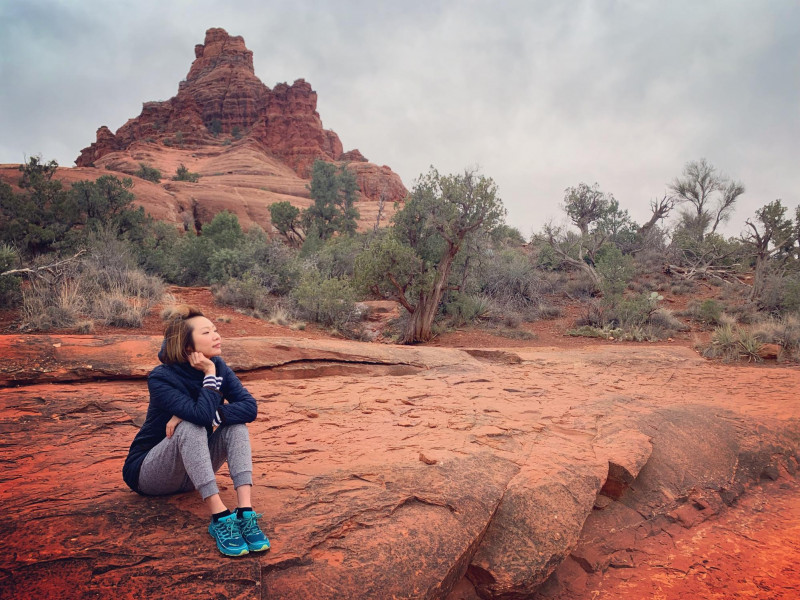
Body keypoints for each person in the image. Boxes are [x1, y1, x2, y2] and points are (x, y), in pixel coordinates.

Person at [122, 305, 269, 556]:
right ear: (187, 346)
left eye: (215, 329)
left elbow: (249, 408)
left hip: (192, 474)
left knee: (235, 424)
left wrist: (208, 412)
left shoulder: (219, 365)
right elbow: (199, 418)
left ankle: (245, 511)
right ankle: (220, 518)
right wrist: (209, 375)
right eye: (207, 332)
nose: (216, 336)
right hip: (150, 473)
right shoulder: (161, 377)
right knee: (191, 425)